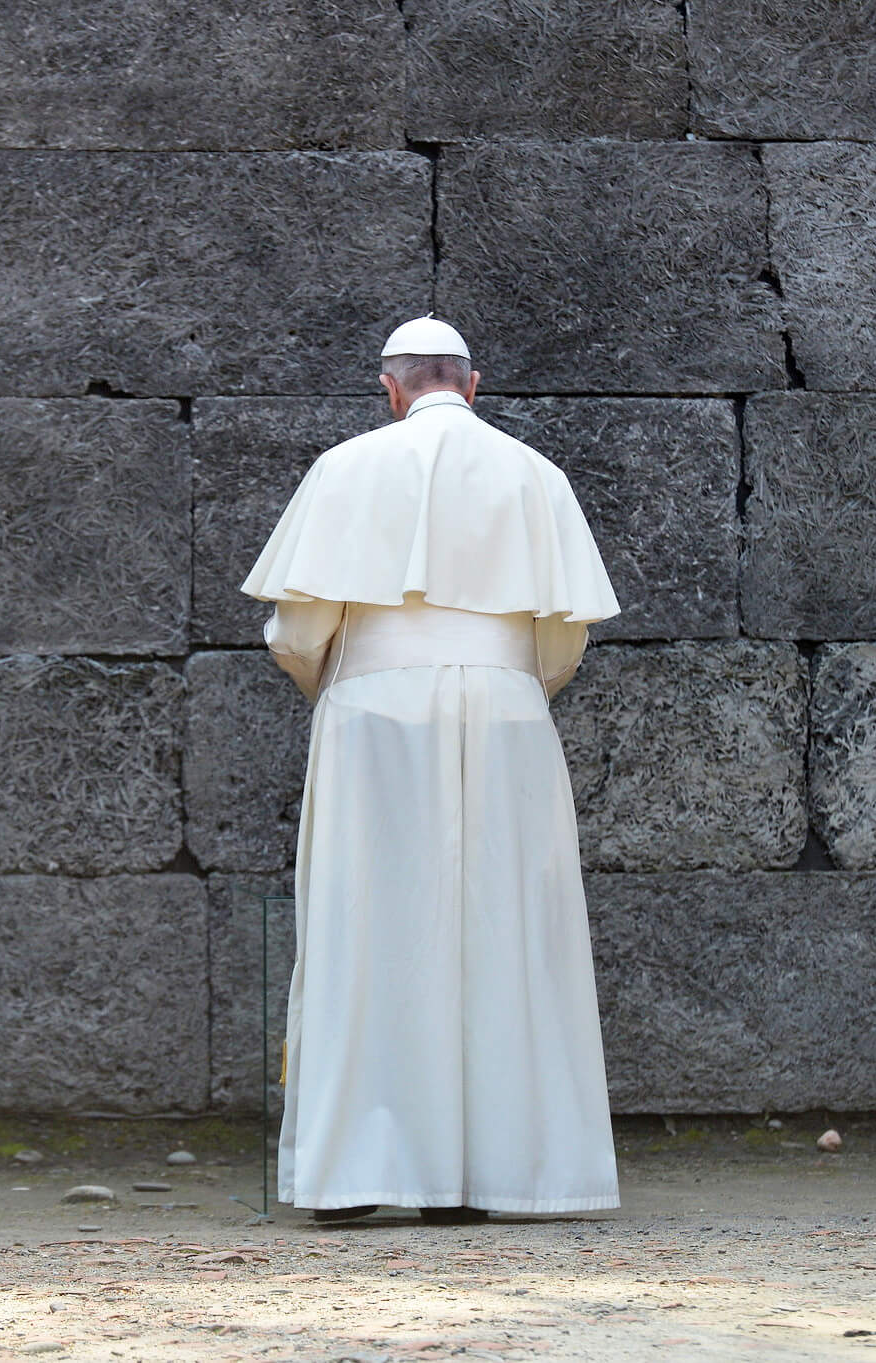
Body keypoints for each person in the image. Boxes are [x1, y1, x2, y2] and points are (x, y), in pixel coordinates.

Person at [242, 316, 621, 1223]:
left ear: (391, 387)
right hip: (507, 710)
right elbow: (561, 642)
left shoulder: (343, 469)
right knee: (504, 928)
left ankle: (353, 1178)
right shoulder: (538, 475)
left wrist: (356, 682)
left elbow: (298, 636)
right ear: (473, 384)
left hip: (372, 709)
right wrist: (498, 684)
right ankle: (480, 1178)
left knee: (365, 923)